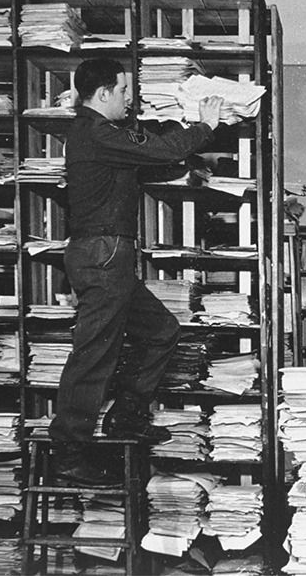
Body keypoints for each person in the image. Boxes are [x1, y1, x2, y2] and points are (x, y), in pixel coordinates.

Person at [49, 57, 222, 486]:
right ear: (103, 93)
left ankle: (126, 416)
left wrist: (183, 149)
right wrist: (205, 126)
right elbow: (161, 151)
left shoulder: (98, 134)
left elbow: (155, 156)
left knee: (161, 331)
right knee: (95, 354)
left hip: (108, 256)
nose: (129, 99)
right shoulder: (97, 132)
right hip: (104, 254)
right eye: (124, 91)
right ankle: (68, 451)